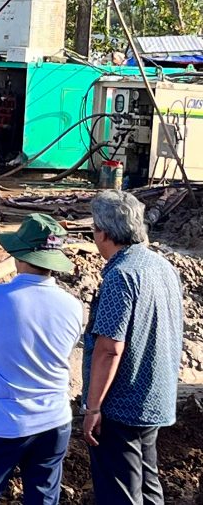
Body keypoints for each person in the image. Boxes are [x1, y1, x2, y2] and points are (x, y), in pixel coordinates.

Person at [0, 213, 83, 505]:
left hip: (4, 423)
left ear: (20, 254)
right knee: (43, 499)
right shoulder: (73, 305)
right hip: (55, 422)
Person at [82, 190, 183, 505]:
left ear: (105, 233)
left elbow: (109, 348)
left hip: (121, 405)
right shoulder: (162, 267)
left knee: (120, 495)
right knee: (148, 487)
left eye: (94, 230)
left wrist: (93, 407)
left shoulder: (121, 276)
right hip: (155, 398)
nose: (94, 237)